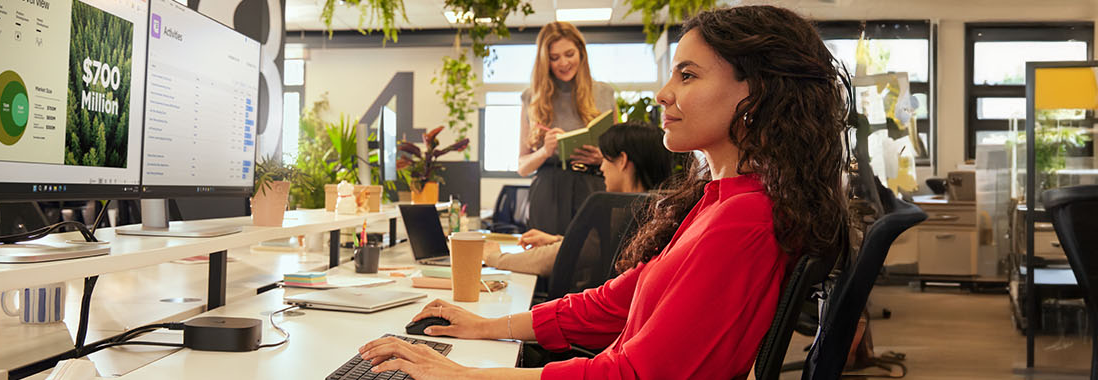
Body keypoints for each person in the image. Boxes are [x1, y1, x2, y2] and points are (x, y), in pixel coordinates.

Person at [358, 5, 852, 379]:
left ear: (757, 94)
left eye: (687, 75)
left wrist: (465, 375)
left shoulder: (744, 218)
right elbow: (613, 304)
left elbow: (632, 374)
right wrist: (483, 326)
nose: (663, 93)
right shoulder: (718, 200)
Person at [483, 124, 672, 277]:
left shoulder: (622, 211)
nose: (601, 168)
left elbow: (553, 258)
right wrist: (557, 240)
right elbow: (594, 248)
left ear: (622, 161)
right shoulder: (656, 209)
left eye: (605, 159)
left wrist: (495, 257)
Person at [516, 21, 615, 236]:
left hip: (593, 187)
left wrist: (602, 158)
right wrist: (545, 151)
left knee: (593, 253)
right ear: (545, 61)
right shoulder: (532, 97)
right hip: (548, 192)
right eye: (554, 58)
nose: (563, 63)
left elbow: (619, 156)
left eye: (569, 54)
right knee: (546, 253)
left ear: (581, 52)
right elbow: (522, 167)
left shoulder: (604, 93)